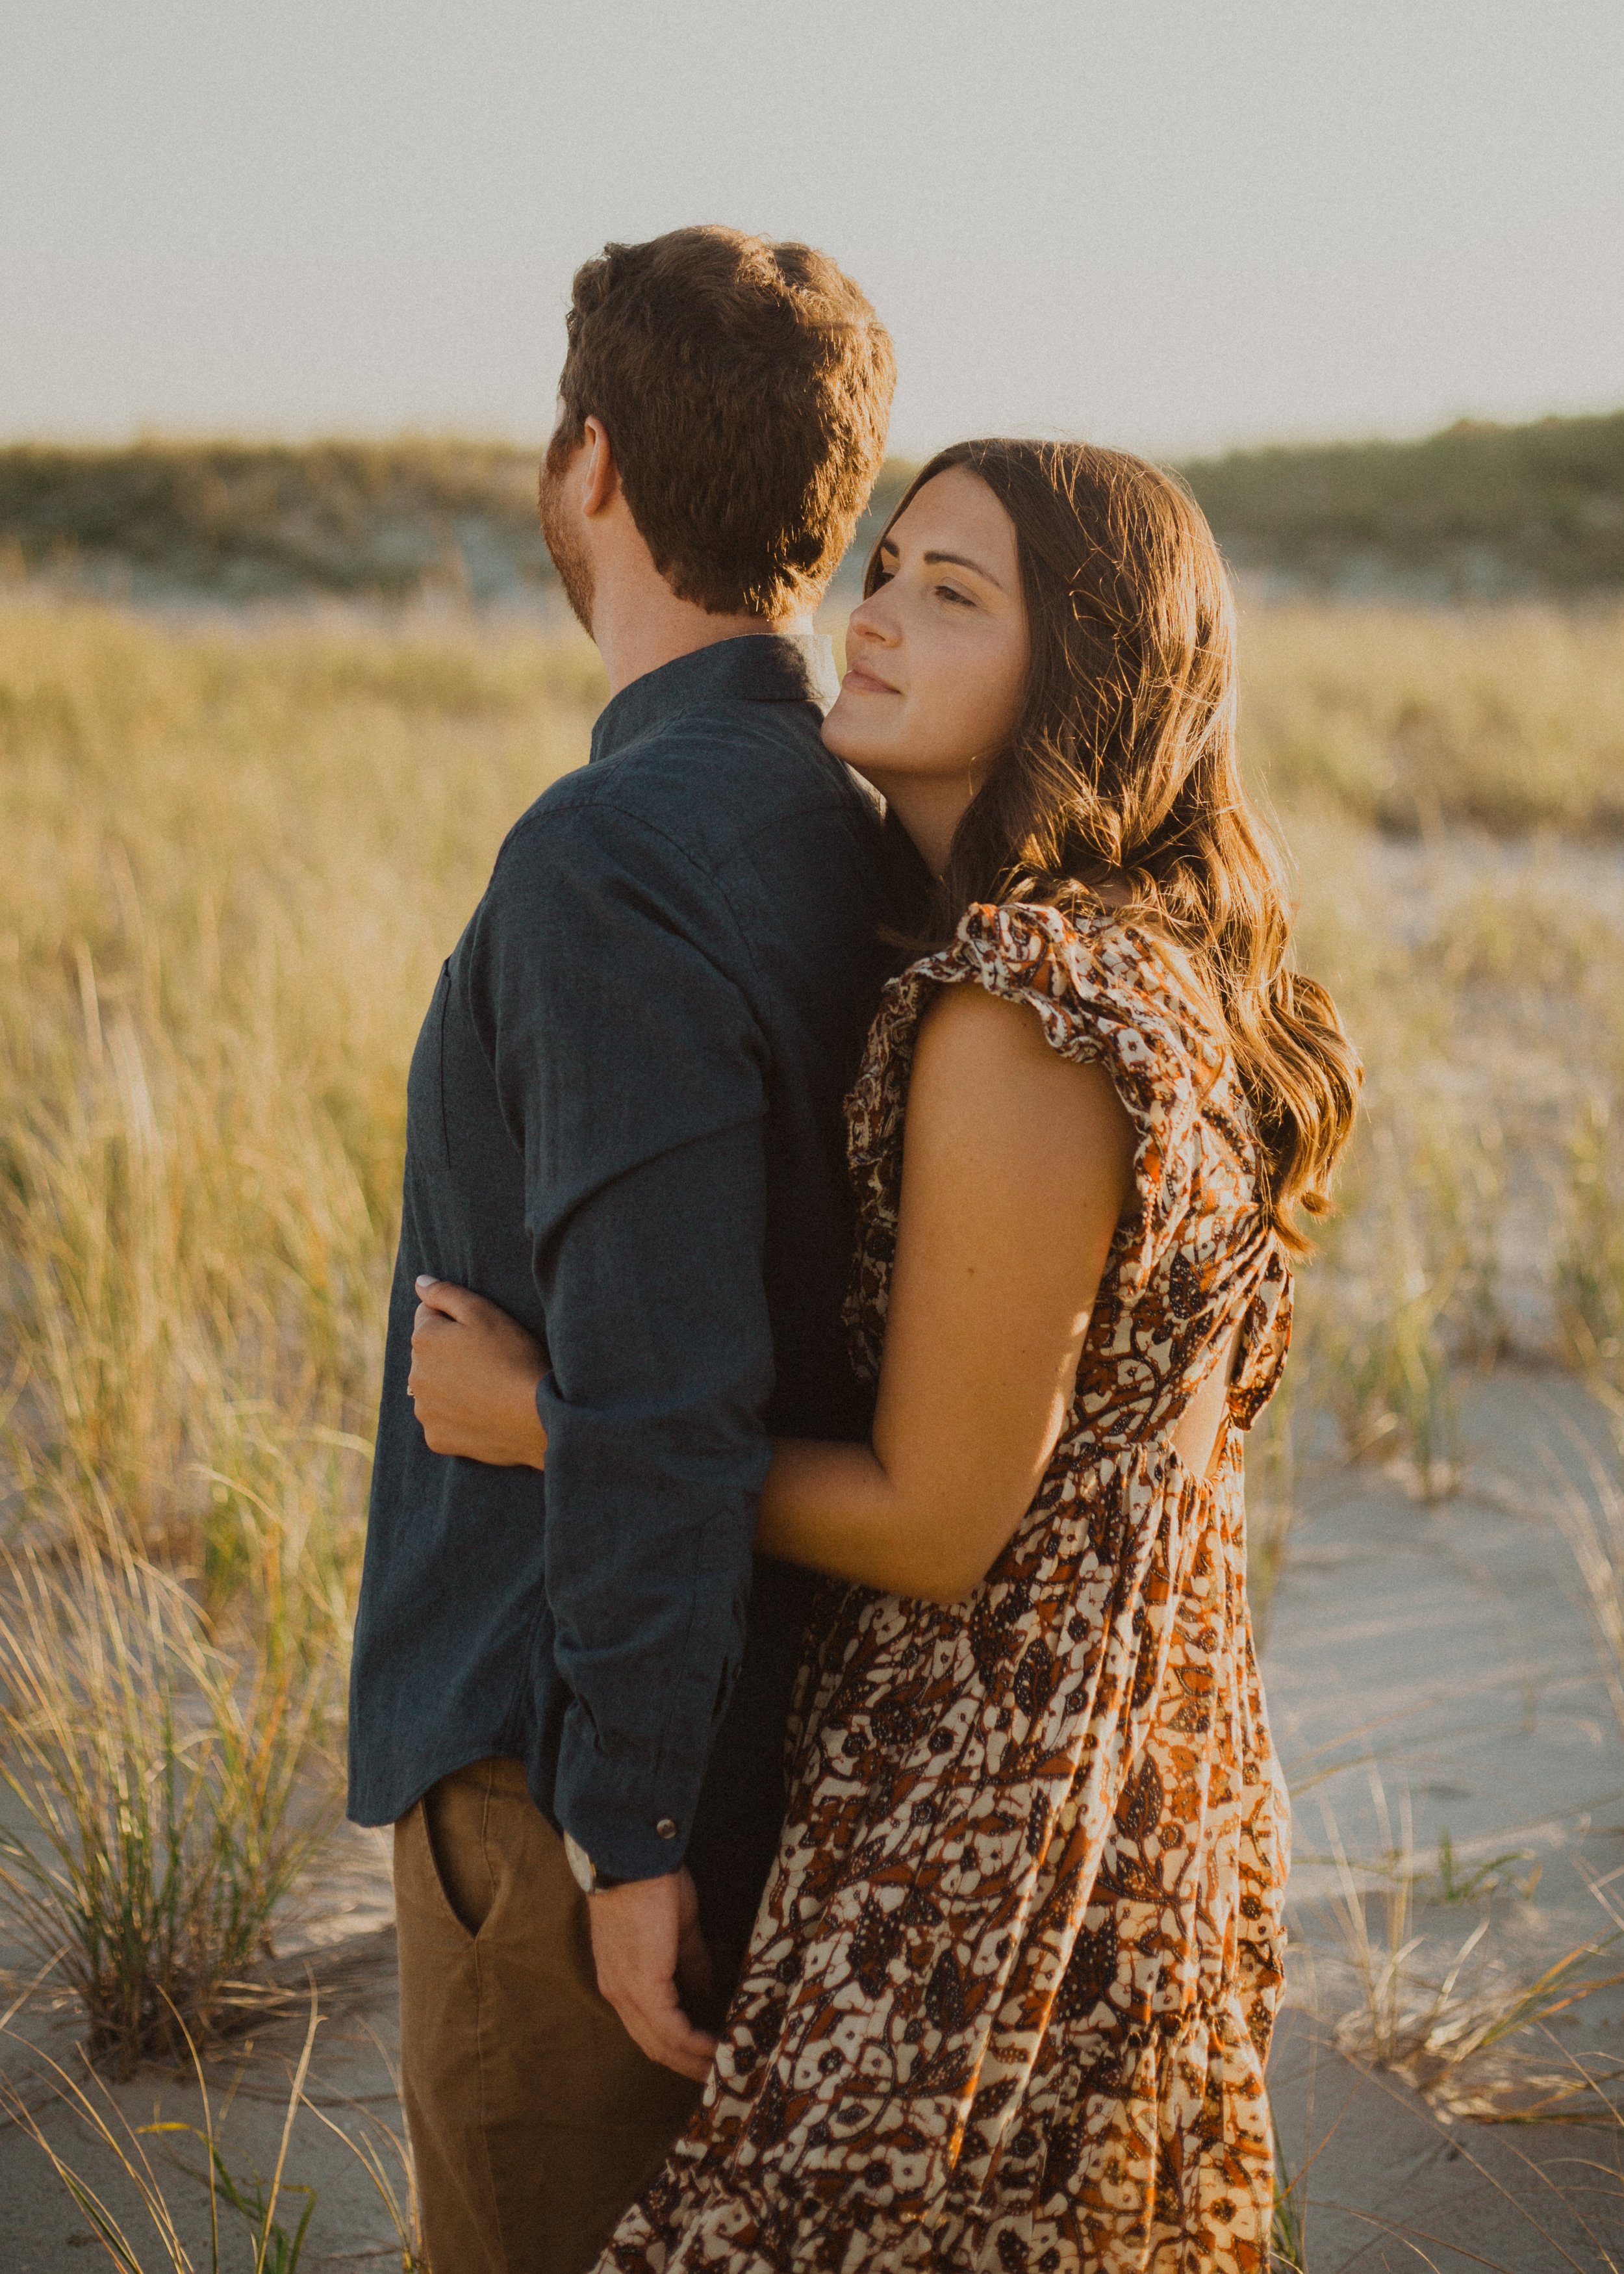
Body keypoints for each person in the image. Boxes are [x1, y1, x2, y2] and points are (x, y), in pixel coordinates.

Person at [410, 435, 1362, 2270]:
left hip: (987, 1803)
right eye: (886, 563)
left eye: (954, 593)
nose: (876, 617)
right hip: (1120, 1759)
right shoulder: (1109, 956)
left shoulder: (1018, 1007)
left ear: (1084, 668)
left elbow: (940, 1521)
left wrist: (552, 1420)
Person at [346, 224, 897, 2274]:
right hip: (771, 1722)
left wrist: (634, 1824)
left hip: (567, 1762)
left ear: (588, 464)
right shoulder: (844, 817)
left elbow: (665, 1366)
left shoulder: (612, 850)